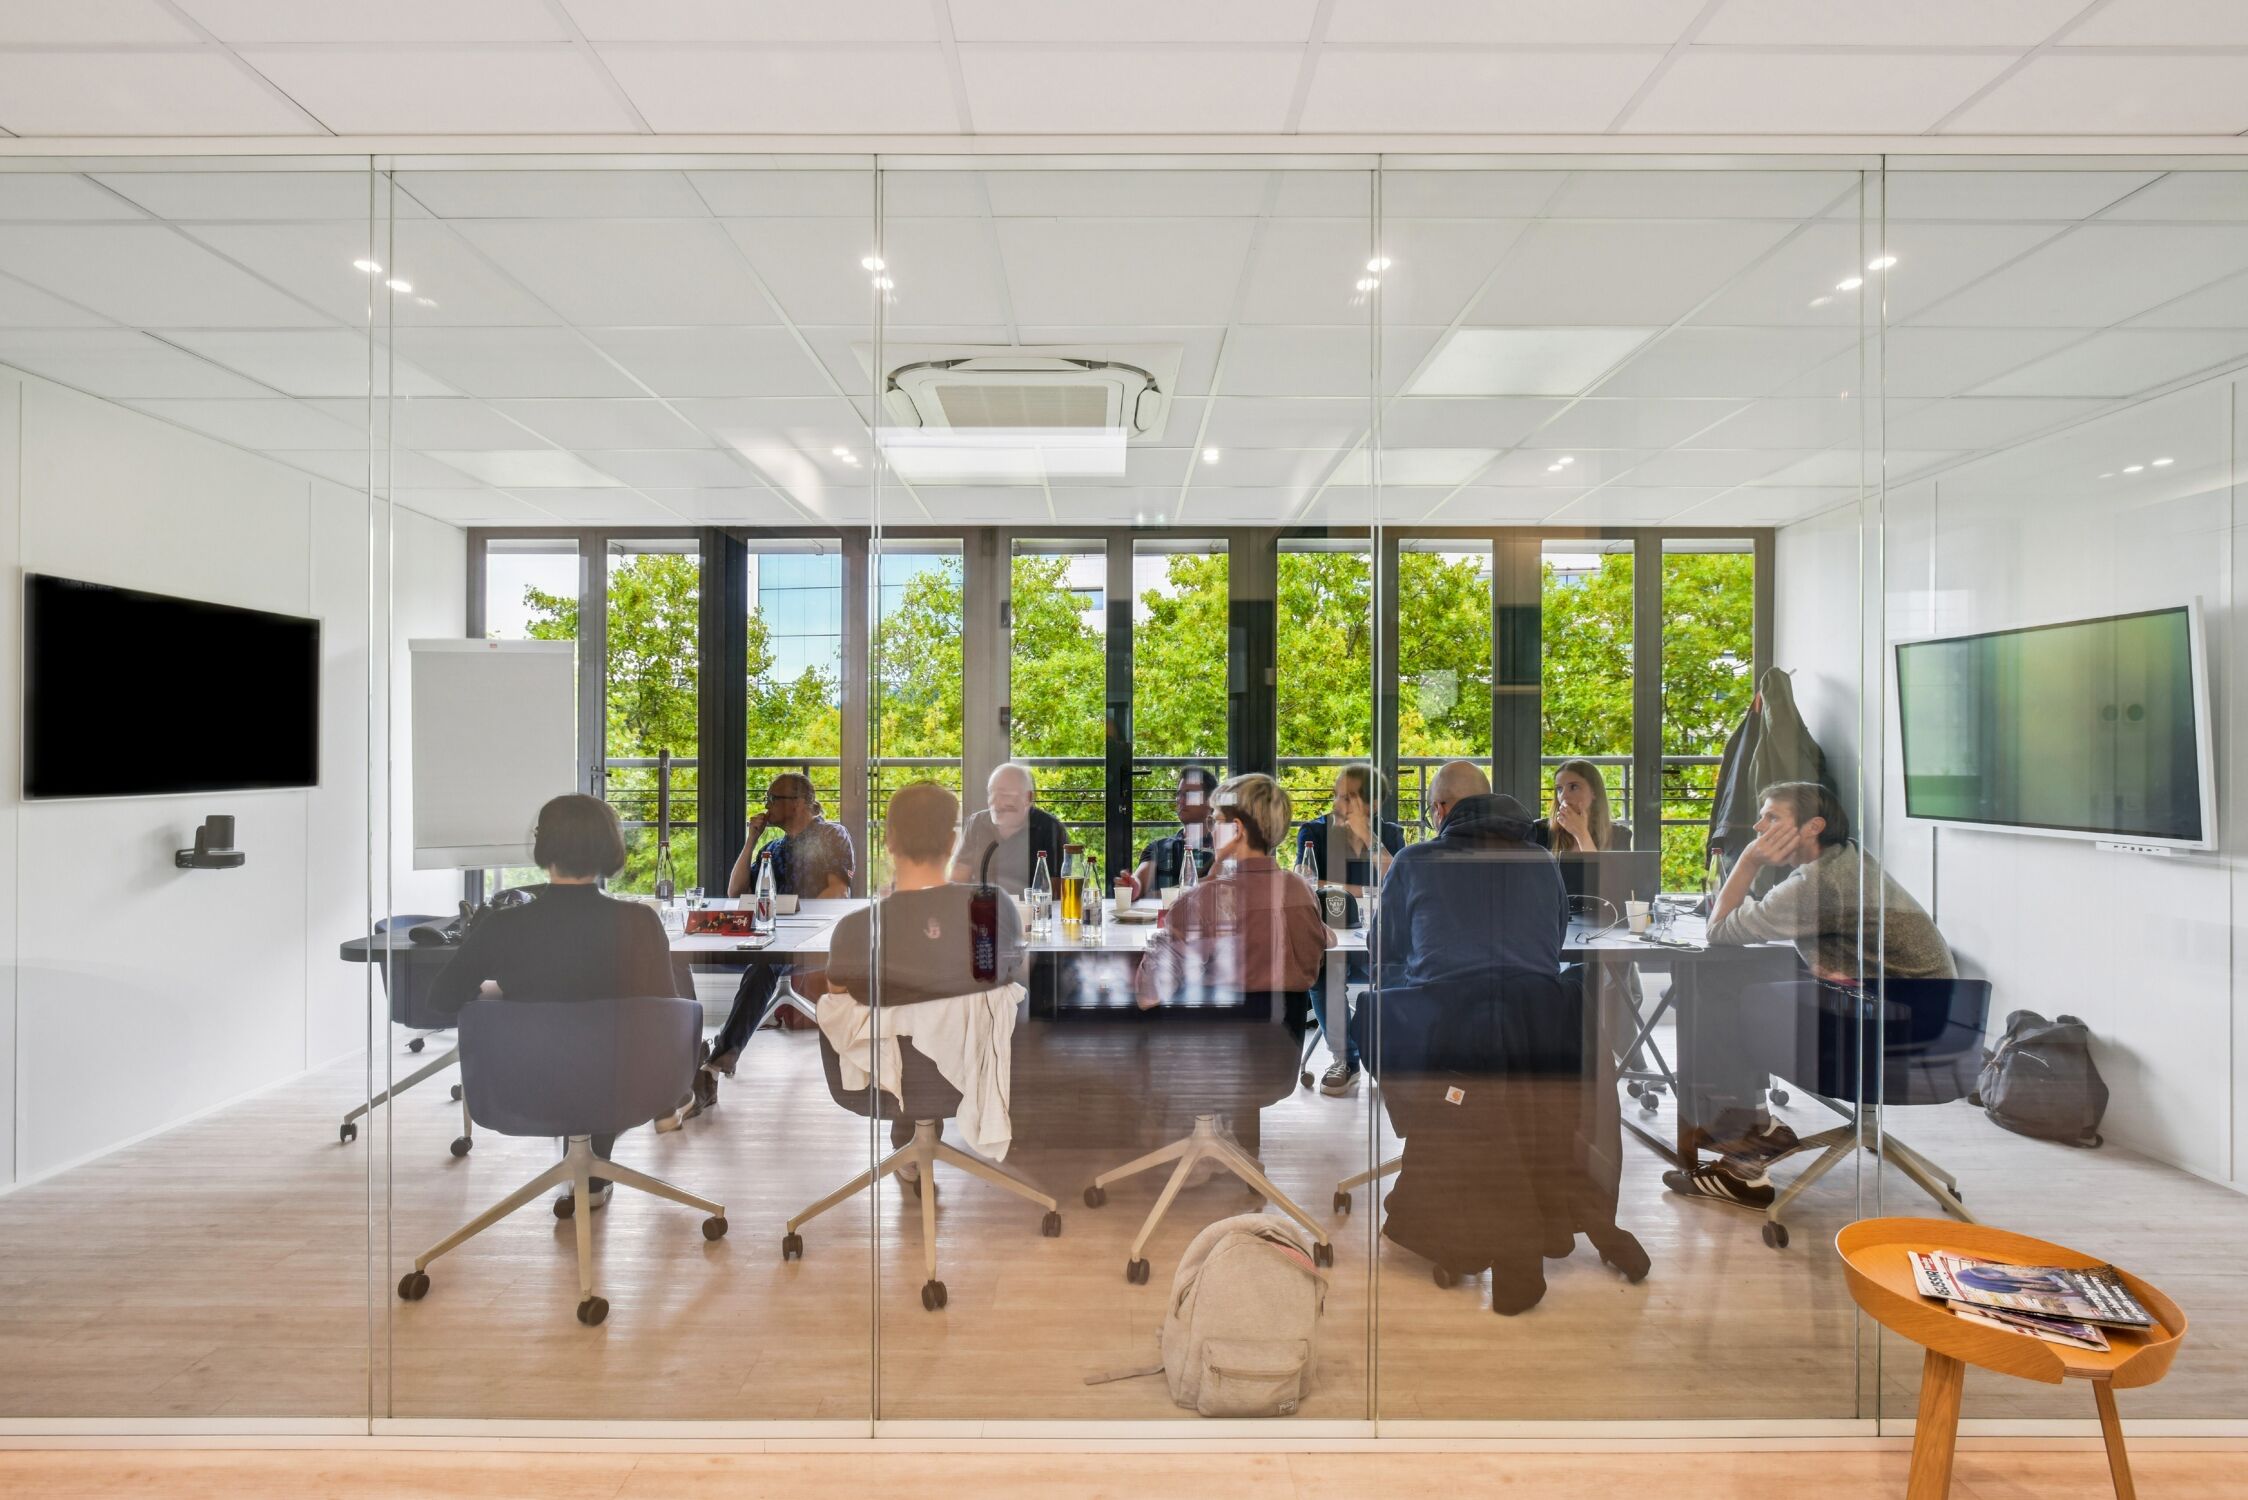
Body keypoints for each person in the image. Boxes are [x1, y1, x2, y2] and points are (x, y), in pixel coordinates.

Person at [1364, 759, 1646, 1311]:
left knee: (1375, 1014)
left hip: (1453, 1040)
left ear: (1441, 809)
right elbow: (1552, 944)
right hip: (1538, 1035)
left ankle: (1473, 1213)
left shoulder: (1415, 861)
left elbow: (1382, 954)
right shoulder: (1541, 860)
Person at [1665, 780, 1956, 1209]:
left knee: (1720, 991)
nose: (1758, 827)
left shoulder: (1819, 882)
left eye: (1772, 817)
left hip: (1890, 1032)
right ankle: (1753, 1128)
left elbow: (1719, 929)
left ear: (1813, 826)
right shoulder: (1847, 858)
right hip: (1924, 1021)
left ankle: (1746, 1159)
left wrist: (1748, 860)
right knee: (1740, 982)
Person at [426, 794, 685, 1212]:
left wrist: (497, 993)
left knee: (573, 1048)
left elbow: (440, 998)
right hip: (621, 1088)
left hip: (522, 1086)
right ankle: (594, 1172)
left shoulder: (503, 925)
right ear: (609, 847)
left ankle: (588, 1171)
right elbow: (662, 1019)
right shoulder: (639, 922)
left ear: (543, 845)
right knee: (605, 1045)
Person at [822, 782, 1030, 1167]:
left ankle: (908, 1136)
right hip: (970, 1072)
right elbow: (1006, 976)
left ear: (889, 840)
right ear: (952, 842)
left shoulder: (857, 928)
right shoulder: (993, 908)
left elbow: (836, 998)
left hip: (882, 1083)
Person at [1135, 773, 1334, 1164]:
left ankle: (1185, 1144)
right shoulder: (1301, 891)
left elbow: (1149, 993)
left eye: (1215, 821)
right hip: (1277, 1059)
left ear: (1237, 830)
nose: (1210, 830)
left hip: (1209, 1061)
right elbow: (1320, 945)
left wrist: (1198, 894)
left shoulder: (1207, 900)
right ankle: (1221, 1144)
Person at [697, 771, 856, 1108]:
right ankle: (690, 1050)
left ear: (797, 803)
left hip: (811, 941)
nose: (766, 805)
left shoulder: (831, 834)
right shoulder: (772, 848)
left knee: (764, 965)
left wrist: (793, 924)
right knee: (695, 954)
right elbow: (735, 891)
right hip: (769, 938)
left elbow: (839, 891)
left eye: (772, 798)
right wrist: (751, 840)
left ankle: (716, 1064)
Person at [1292, 764, 1405, 1096]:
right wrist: (1364, 890)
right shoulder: (1313, 832)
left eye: (1347, 797)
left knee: (1402, 969)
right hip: (1333, 937)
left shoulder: (1390, 835)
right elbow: (1307, 883)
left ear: (1373, 803)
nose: (1337, 804)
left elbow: (1400, 884)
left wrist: (1368, 836)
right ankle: (1346, 1059)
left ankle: (1391, 1061)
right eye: (1337, 795)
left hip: (1378, 940)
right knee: (1323, 971)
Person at [950, 762, 1068, 893]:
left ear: (1028, 797)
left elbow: (1056, 892)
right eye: (990, 793)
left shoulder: (1050, 828)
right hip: (982, 903)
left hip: (1028, 905)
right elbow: (957, 880)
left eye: (1004, 795)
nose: (993, 801)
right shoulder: (976, 823)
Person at [1130, 765, 1219, 899]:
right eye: (1179, 794)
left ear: (1210, 802)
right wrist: (1132, 886)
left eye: (1189, 795)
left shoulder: (1224, 848)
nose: (1180, 800)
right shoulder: (1158, 847)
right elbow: (1137, 885)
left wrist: (1158, 895)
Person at [1533, 758, 1632, 854]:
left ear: (1594, 792)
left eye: (1573, 787)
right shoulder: (1539, 831)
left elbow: (1604, 867)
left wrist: (1581, 834)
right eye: (1559, 789)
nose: (1563, 795)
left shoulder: (1619, 834)